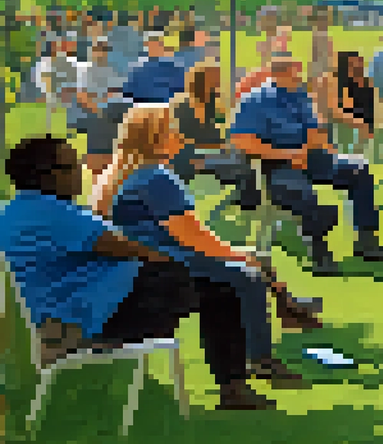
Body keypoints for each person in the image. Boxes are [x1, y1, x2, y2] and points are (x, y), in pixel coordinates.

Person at [0, 136, 276, 410]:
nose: (81, 173)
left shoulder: (14, 213)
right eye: (72, 167)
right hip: (69, 323)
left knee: (209, 288)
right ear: (46, 176)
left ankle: (223, 387)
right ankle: (229, 388)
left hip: (41, 321)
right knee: (177, 278)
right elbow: (133, 250)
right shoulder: (52, 213)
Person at [90, 105, 318, 382]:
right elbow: (193, 237)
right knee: (249, 275)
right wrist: (238, 256)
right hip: (164, 261)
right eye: (173, 129)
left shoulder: (119, 174)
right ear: (156, 138)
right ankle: (262, 357)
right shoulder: (155, 178)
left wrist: (240, 254)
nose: (180, 135)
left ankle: (287, 308)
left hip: (144, 261)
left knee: (256, 260)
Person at [230, 51, 383, 274]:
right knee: (304, 194)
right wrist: (288, 155)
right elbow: (243, 142)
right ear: (280, 74)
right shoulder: (253, 101)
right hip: (275, 164)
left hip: (311, 158)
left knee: (359, 169)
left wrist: (304, 153)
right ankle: (320, 251)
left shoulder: (301, 95)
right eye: (296, 73)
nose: (301, 77)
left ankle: (366, 240)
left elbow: (316, 130)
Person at [169, 62, 264, 213]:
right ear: (204, 80)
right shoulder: (181, 104)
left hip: (213, 153)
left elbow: (230, 123)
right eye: (217, 78)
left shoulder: (215, 101)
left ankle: (248, 208)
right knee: (238, 161)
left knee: (245, 160)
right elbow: (179, 138)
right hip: (190, 155)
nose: (220, 82)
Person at [75, 37, 130, 177]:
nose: (100, 53)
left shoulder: (113, 71)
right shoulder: (85, 71)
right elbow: (83, 96)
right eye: (98, 49)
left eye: (104, 50)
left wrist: (104, 105)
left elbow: (115, 93)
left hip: (109, 113)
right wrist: (99, 108)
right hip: (93, 114)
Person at [123, 31, 188, 105]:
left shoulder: (175, 70)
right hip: (146, 110)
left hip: (163, 110)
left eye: (158, 44)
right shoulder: (138, 70)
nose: (154, 47)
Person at [334, 51, 376, 155]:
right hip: (350, 127)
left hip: (365, 126)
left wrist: (369, 128)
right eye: (353, 64)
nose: (358, 66)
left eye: (359, 62)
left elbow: (371, 109)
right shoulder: (343, 87)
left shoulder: (368, 85)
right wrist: (360, 124)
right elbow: (346, 109)